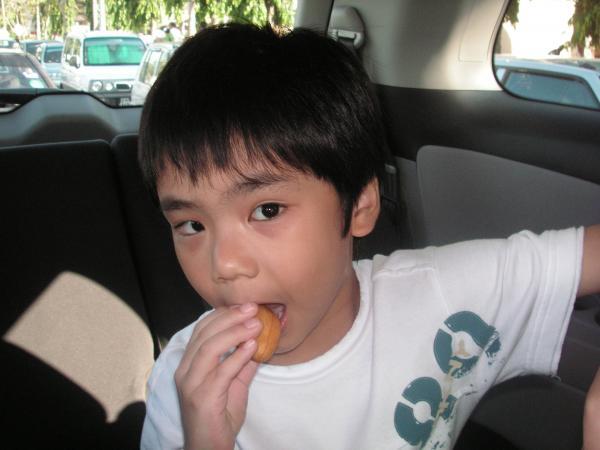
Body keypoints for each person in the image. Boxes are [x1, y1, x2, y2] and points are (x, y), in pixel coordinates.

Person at [138, 23, 600, 449]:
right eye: (191, 225)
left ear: (359, 205)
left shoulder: (439, 297)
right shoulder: (184, 388)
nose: (224, 264)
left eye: (267, 210)